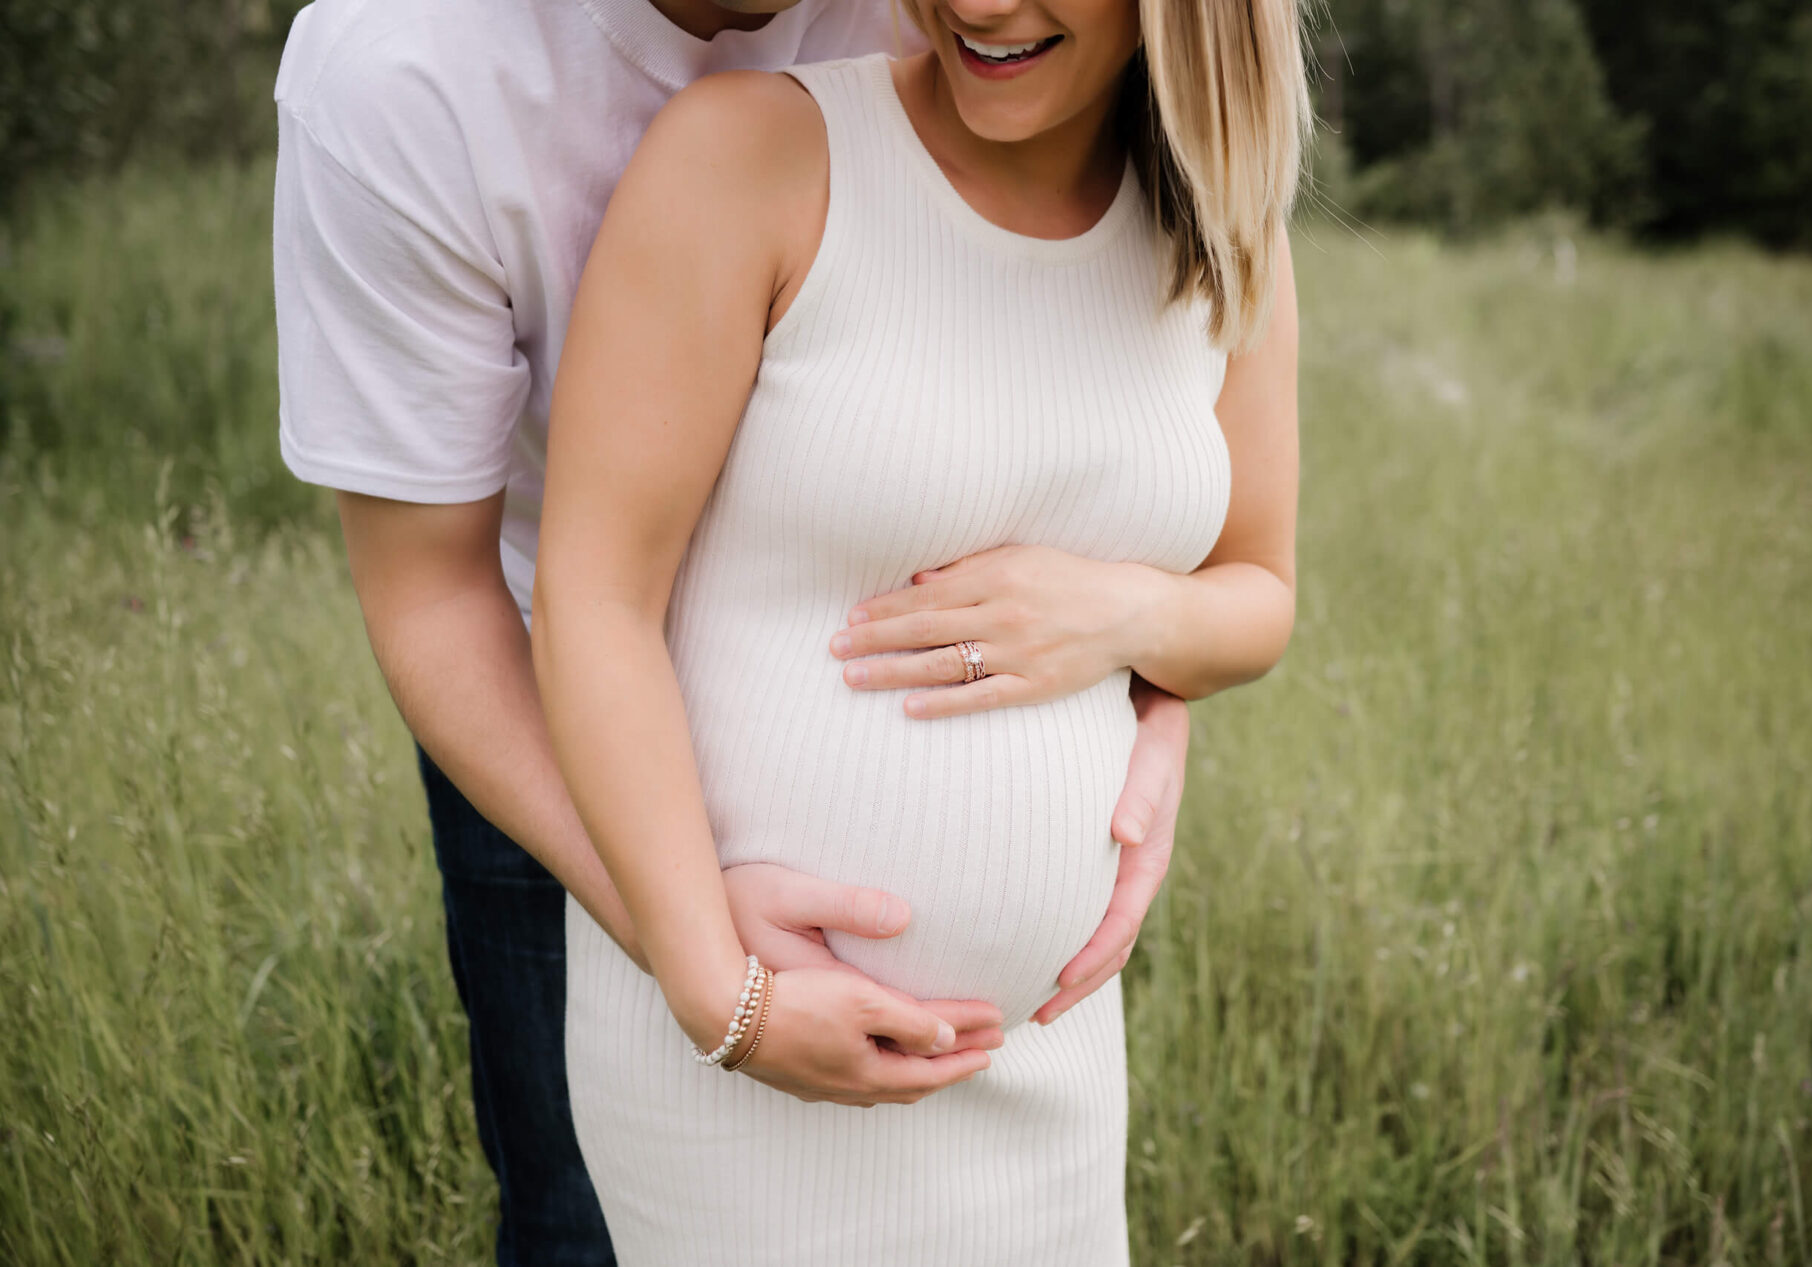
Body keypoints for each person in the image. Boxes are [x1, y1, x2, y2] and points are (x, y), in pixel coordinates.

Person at [272, 0, 1199, 1260]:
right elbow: (433, 593)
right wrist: (700, 957)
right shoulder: (398, 72)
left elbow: (1089, 387)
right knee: (574, 1212)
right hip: (544, 691)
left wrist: (1146, 682)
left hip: (1013, 1027)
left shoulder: (950, 16)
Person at [533, 0, 1306, 1259]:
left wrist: (1122, 614)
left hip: (1046, 1062)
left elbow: (1258, 592)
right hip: (751, 1047)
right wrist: (719, 992)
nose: (979, 6)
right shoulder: (750, 159)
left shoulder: (1221, 231)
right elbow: (592, 598)